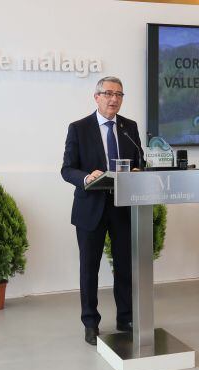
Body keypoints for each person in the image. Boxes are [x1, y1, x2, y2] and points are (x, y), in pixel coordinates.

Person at [61, 76, 145, 345]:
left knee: (124, 267)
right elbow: (67, 169)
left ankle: (126, 317)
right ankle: (90, 322)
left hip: (122, 207)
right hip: (90, 209)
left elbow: (139, 160)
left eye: (119, 94)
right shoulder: (79, 128)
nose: (114, 99)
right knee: (89, 268)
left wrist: (137, 170)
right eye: (108, 93)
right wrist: (86, 178)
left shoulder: (129, 127)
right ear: (96, 97)